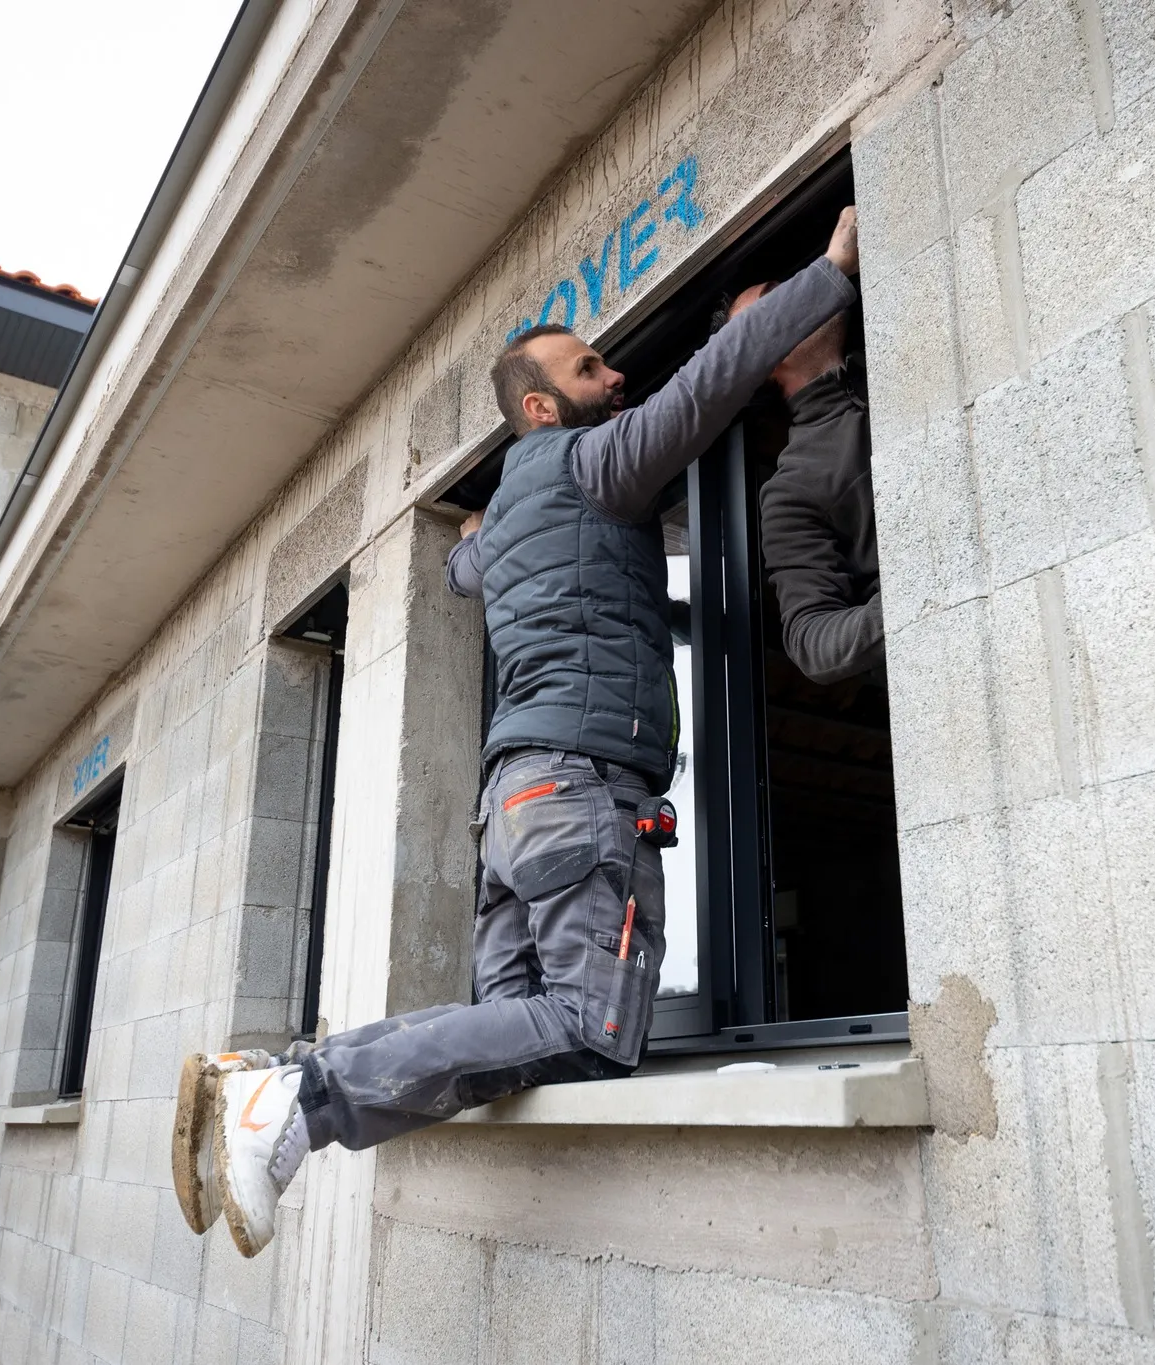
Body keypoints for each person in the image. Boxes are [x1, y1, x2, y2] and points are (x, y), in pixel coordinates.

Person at [171, 208, 863, 1258]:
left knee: (512, 1043)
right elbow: (710, 384)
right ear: (541, 407)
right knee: (587, 1025)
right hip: (580, 795)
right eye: (591, 370)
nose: (616, 378)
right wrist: (830, 274)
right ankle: (300, 1094)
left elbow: (465, 570)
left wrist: (474, 533)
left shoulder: (510, 515)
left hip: (512, 811)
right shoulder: (594, 462)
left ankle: (278, 1093)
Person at [725, 281, 881, 684]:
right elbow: (812, 641)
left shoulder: (899, 356)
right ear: (766, 361)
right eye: (777, 297)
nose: (803, 287)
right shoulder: (790, 492)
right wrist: (923, 592)